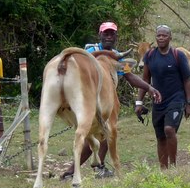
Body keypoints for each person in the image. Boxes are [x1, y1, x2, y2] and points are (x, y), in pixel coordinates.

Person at [61, 22, 161, 179]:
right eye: (105, 33)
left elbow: (129, 76)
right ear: (100, 35)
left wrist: (149, 88)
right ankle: (72, 171)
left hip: (107, 100)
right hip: (89, 99)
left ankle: (95, 168)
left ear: (116, 37)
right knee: (91, 134)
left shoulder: (117, 56)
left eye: (112, 34)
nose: (109, 36)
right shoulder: (90, 51)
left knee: (108, 133)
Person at [135, 25, 190, 169]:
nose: (161, 38)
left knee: (169, 130)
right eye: (159, 35)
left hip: (176, 98)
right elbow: (145, 81)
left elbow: (187, 80)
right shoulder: (149, 56)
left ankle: (173, 166)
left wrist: (189, 103)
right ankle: (163, 169)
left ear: (170, 38)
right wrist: (139, 102)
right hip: (158, 101)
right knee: (160, 136)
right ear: (156, 38)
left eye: (164, 35)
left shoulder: (177, 55)